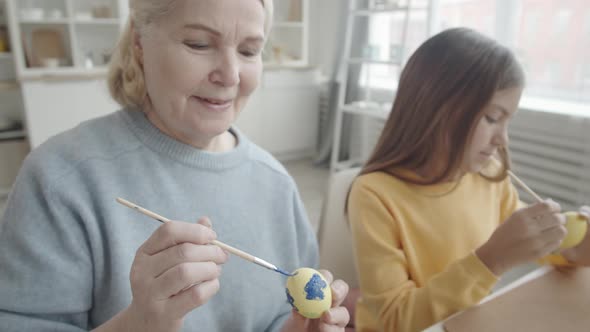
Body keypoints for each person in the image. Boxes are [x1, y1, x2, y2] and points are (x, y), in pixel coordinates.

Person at [0, 0, 350, 331]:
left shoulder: (276, 184)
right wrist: (138, 323)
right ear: (140, 44)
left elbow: (276, 314)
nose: (230, 75)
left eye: (248, 51)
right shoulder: (60, 179)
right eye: (198, 44)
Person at [347, 27, 590, 332]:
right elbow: (394, 320)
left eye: (507, 121)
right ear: (436, 110)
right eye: (492, 118)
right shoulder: (374, 195)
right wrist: (491, 260)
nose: (502, 139)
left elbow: (535, 245)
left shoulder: (489, 176)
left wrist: (575, 246)